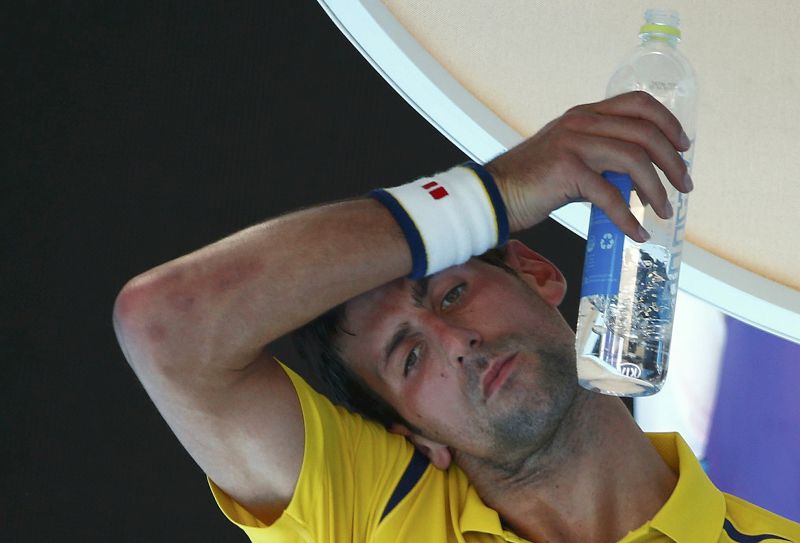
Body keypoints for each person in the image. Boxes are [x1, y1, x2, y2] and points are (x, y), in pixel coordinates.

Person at [113, 92, 800, 542]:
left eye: (450, 294)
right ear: (415, 434)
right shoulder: (373, 512)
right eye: (408, 358)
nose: (457, 342)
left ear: (537, 272)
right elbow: (164, 322)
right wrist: (494, 192)